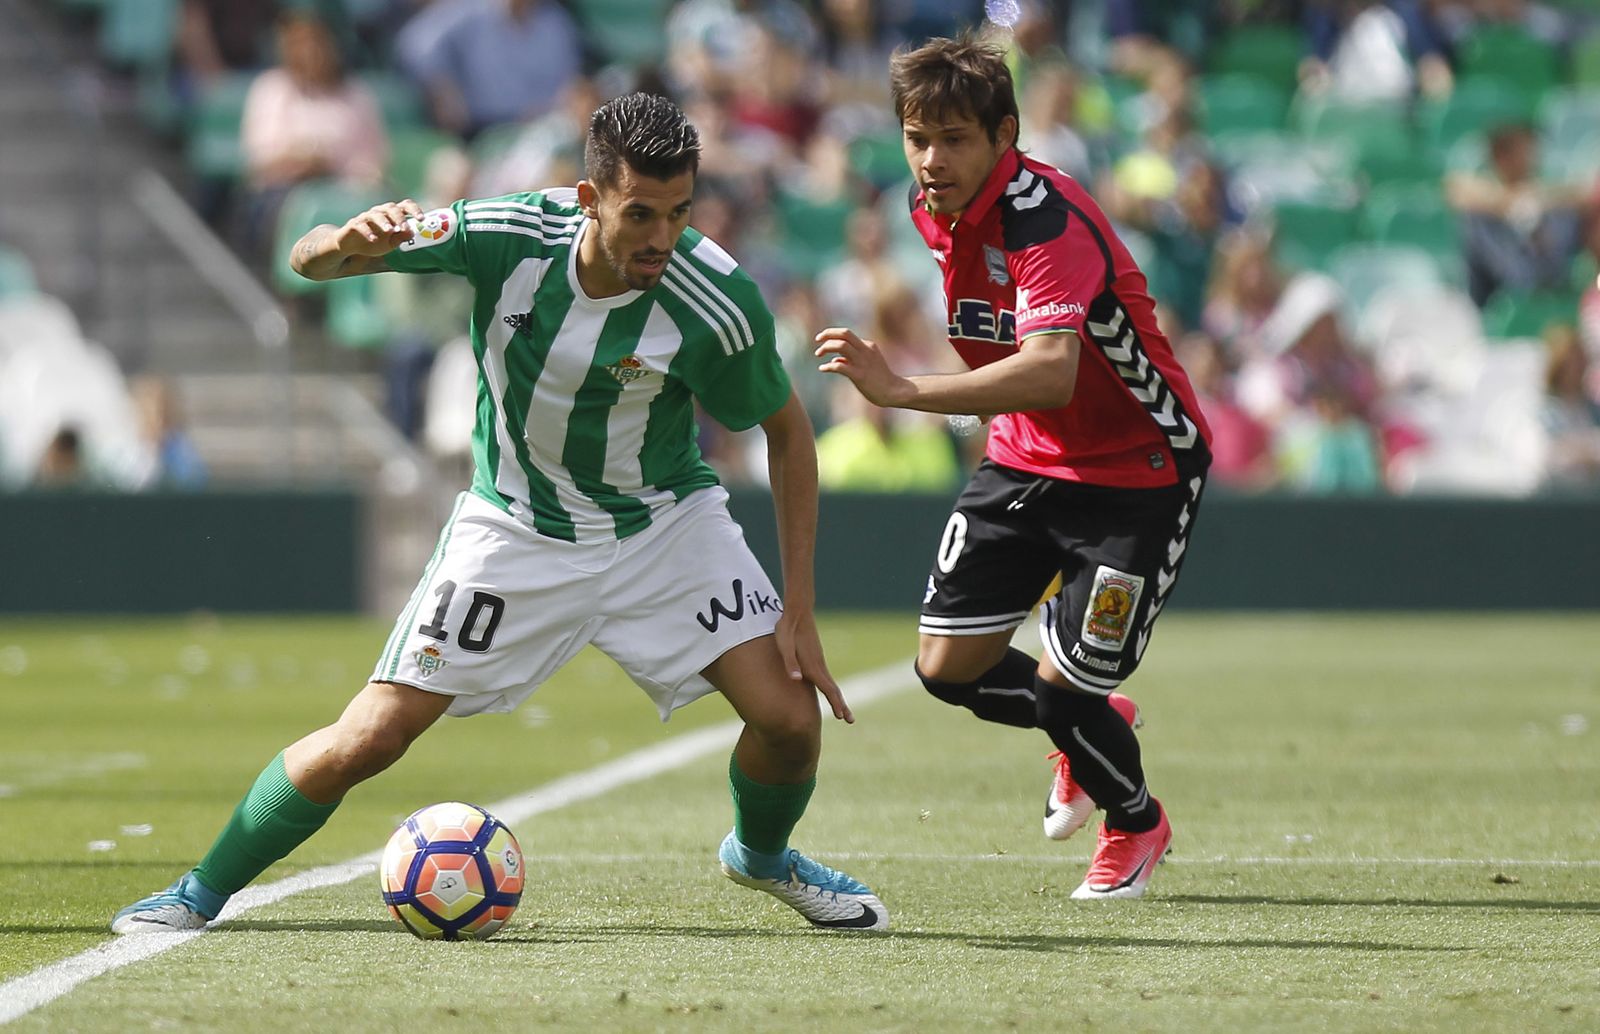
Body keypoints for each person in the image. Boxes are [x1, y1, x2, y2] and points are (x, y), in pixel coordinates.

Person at [112, 92, 888, 935]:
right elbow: (306, 263)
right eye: (639, 214)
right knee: (370, 735)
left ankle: (763, 858)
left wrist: (799, 609)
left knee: (788, 721)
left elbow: (788, 432)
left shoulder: (716, 298)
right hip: (515, 527)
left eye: (678, 212)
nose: (661, 238)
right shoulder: (502, 234)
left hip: (663, 526)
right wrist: (344, 241)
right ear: (587, 199)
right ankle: (199, 891)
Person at [815, 35, 1213, 900]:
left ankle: (1136, 822)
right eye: (918, 137)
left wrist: (900, 389)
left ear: (1005, 135)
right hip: (1025, 452)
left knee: (1065, 696)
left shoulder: (1047, 222)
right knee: (944, 669)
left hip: (1137, 471)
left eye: (954, 138)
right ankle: (1091, 724)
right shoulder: (931, 210)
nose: (931, 159)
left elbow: (1052, 368)